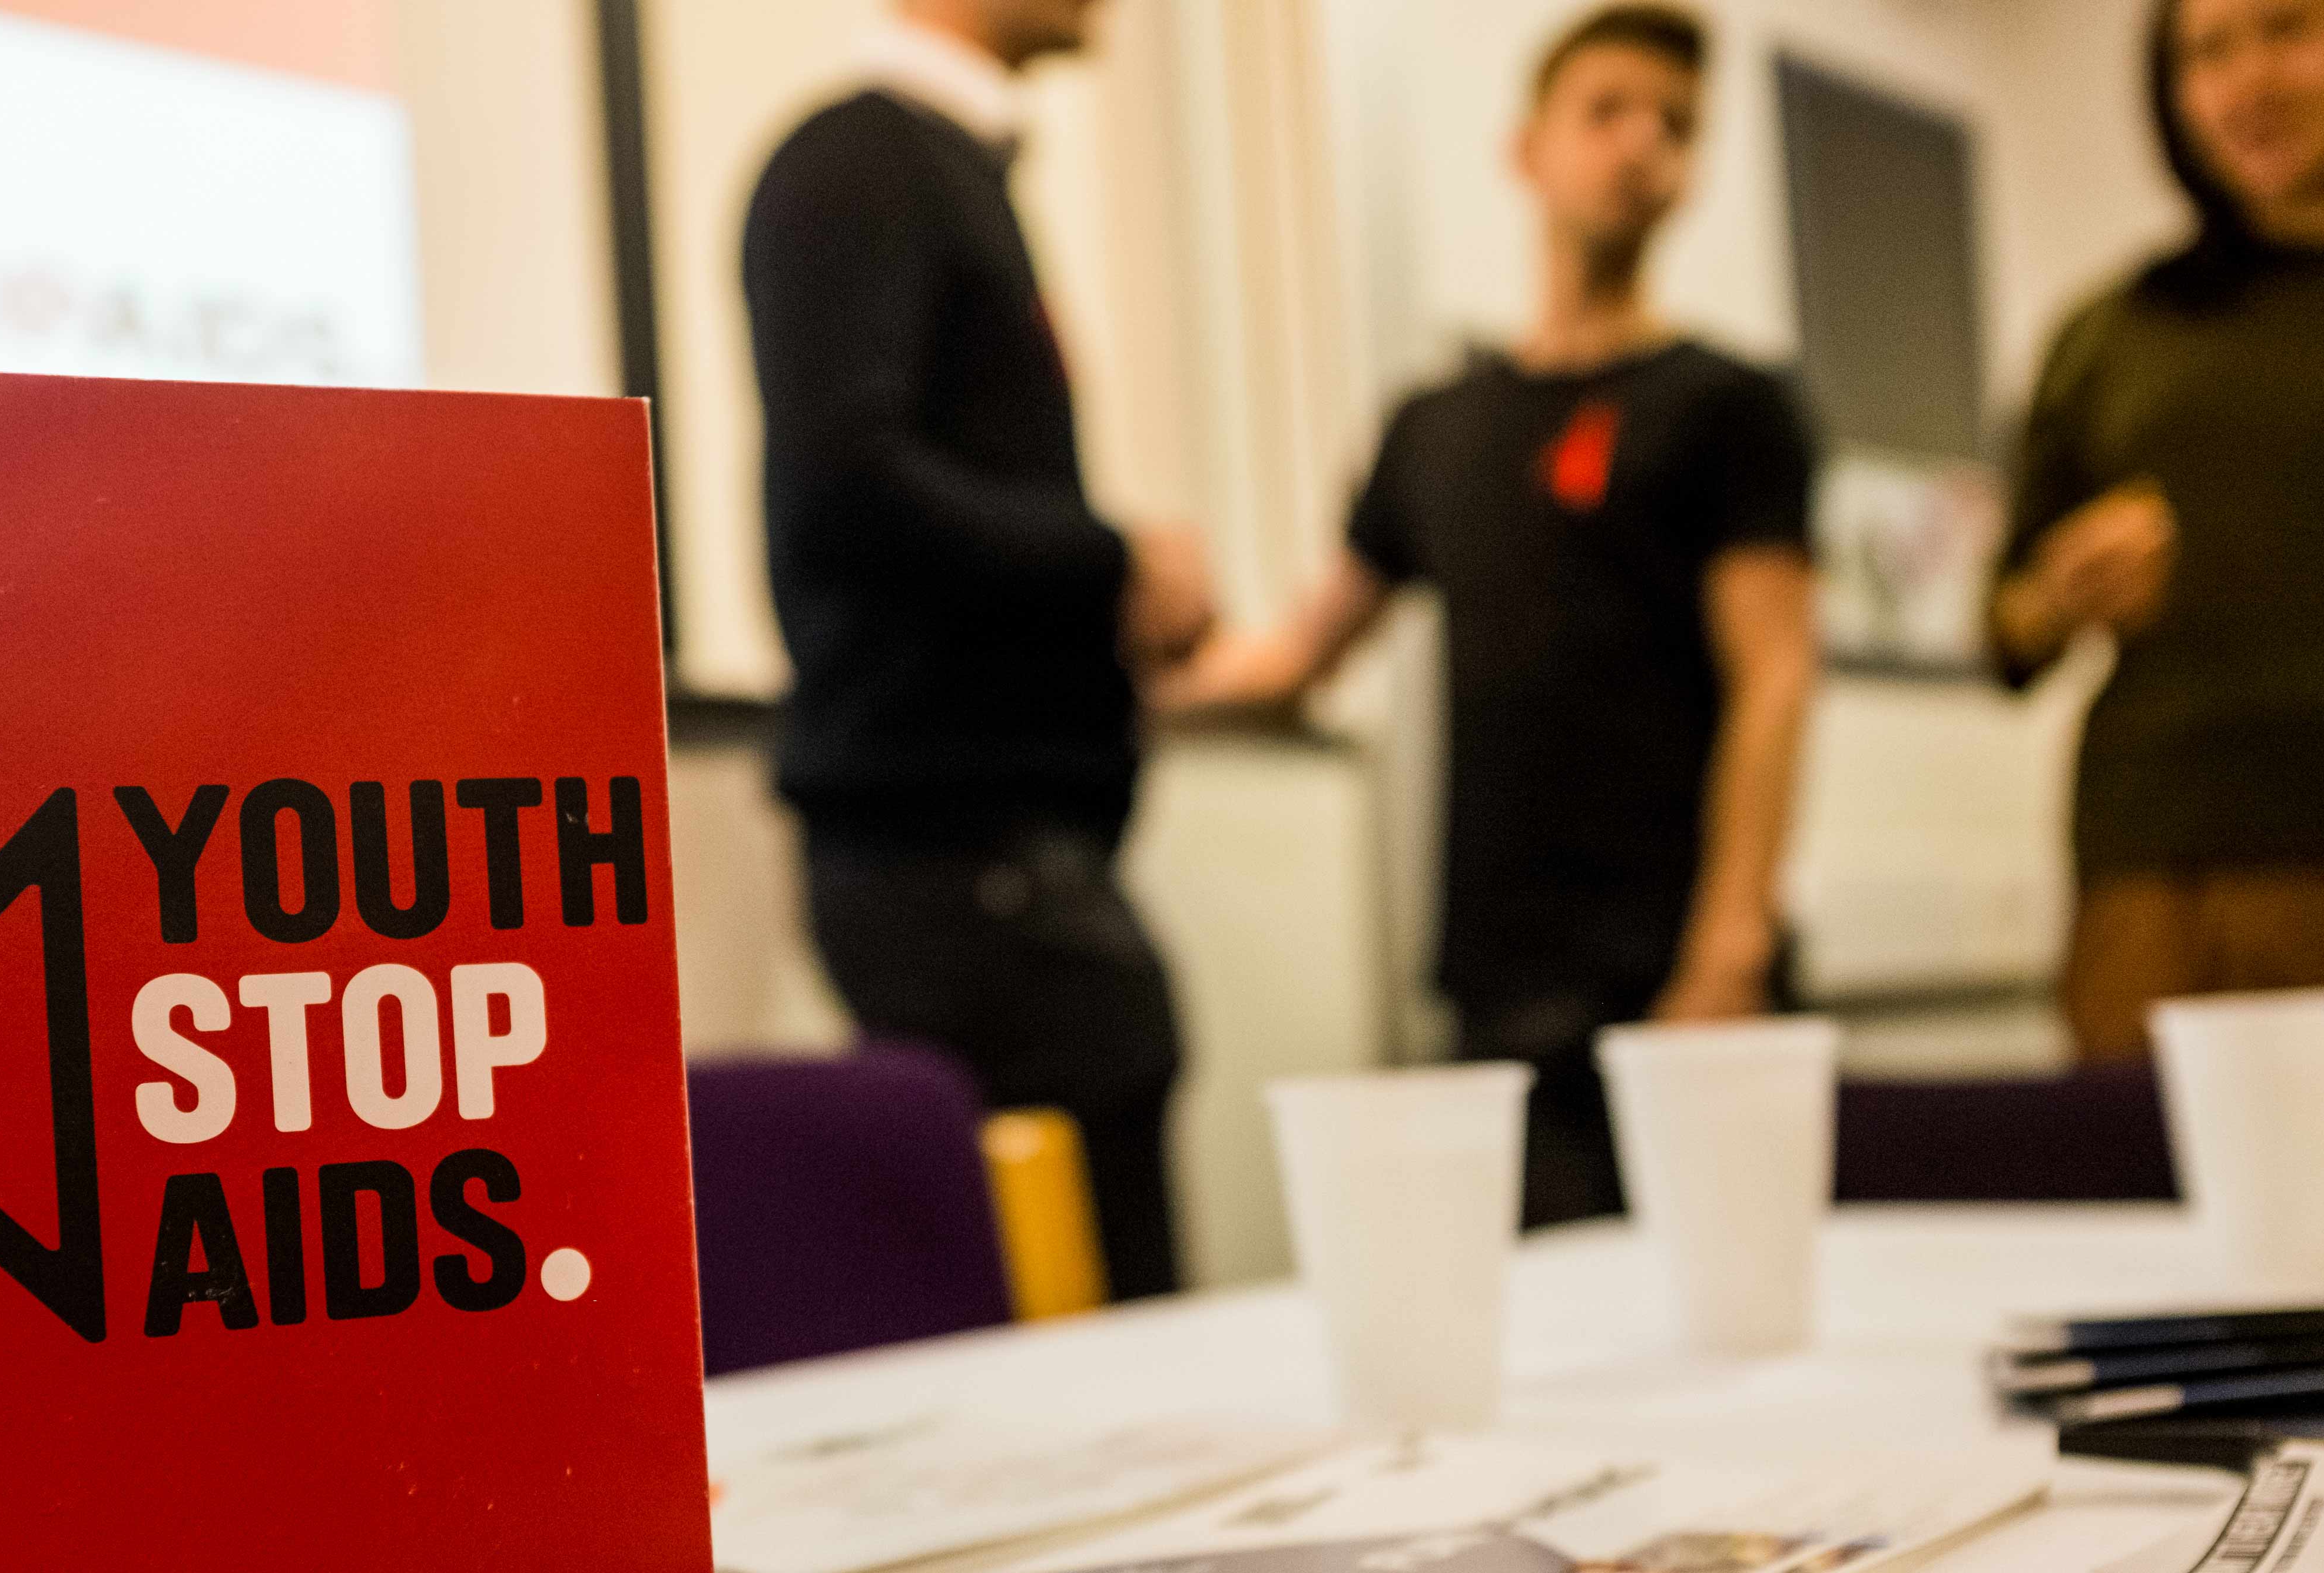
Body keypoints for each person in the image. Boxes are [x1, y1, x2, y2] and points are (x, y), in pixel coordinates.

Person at [1155, 4, 1817, 1227]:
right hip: (1500, 983)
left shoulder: (1730, 406)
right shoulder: (1435, 427)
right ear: (1528, 149)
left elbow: (1776, 674)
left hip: (1674, 977)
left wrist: (1731, 951)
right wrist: (1122, 684)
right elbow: (1298, 652)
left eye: (1676, 126)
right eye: (1607, 111)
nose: (1642, 145)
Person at [741, 0, 1214, 1299]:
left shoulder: (929, 165)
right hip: (958, 864)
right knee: (1085, 1333)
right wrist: (1114, 564)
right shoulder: (862, 161)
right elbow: (844, 488)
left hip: (996, 860)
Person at [1993, 0, 2324, 1058]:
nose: (2248, 84)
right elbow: (2004, 627)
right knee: (2152, 1163)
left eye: (2288, 30)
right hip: (2169, 876)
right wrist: (2060, 596)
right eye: (2208, 52)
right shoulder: (2113, 331)